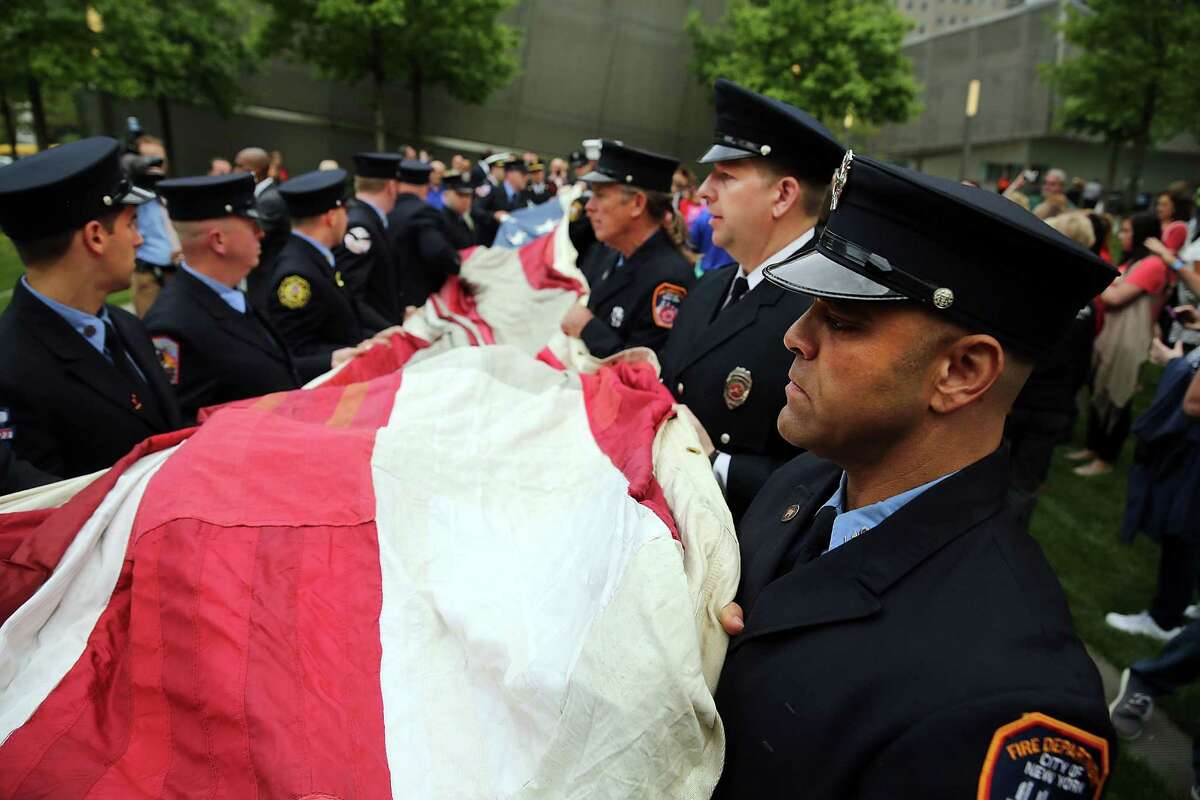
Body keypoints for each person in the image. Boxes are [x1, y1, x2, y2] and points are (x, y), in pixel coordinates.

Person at [707, 150, 1118, 798]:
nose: (795, 337)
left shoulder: (1006, 698)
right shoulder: (806, 483)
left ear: (960, 373)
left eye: (840, 320)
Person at [660, 78, 844, 524]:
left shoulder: (829, 314)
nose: (704, 191)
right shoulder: (712, 286)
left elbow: (829, 481)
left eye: (725, 176)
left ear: (782, 195)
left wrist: (717, 464)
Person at [0, 136, 184, 479]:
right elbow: (45, 513)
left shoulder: (123, 324)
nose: (139, 239)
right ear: (96, 236)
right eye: (131, 224)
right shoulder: (12, 368)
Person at [144, 173, 301, 423]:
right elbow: (184, 426)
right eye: (252, 226)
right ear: (219, 240)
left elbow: (269, 373)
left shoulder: (227, 293)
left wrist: (333, 359)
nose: (261, 234)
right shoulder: (172, 324)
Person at [1005, 212, 1099, 525]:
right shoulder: (1088, 297)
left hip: (1018, 396)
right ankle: (1010, 537)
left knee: (992, 471)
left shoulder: (1031, 288)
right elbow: (1084, 359)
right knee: (1025, 479)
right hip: (1054, 403)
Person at [559, 140, 694, 358]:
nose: (590, 207)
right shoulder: (608, 253)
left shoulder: (669, 279)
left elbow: (646, 372)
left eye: (600, 196)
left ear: (637, 204)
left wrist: (588, 329)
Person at [1073, 212, 1175, 477]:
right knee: (1100, 390)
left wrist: (1092, 275)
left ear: (1142, 234)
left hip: (1128, 339)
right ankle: (1093, 448)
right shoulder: (1135, 261)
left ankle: (1106, 457)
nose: (1122, 235)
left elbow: (1116, 297)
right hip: (1113, 334)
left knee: (1118, 395)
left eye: (1127, 230)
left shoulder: (1152, 264)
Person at [266, 169, 366, 382]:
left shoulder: (315, 257)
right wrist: (331, 358)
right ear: (331, 217)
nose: (347, 218)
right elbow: (294, 351)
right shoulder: (296, 276)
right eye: (344, 211)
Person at [334, 152, 405, 330]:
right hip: (371, 334)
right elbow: (351, 295)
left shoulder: (368, 218)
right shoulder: (361, 227)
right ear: (391, 186)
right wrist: (388, 329)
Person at [388, 158, 462, 309]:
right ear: (426, 186)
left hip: (391, 297)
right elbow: (437, 251)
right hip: (417, 300)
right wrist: (456, 263)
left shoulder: (387, 209)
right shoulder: (423, 212)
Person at [125, 134, 180, 317]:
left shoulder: (169, 192)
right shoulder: (135, 195)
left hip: (176, 272)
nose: (156, 164)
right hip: (148, 275)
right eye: (148, 158)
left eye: (159, 158)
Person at [235, 147, 290, 313]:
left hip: (267, 274)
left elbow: (253, 236)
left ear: (254, 171)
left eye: (239, 166)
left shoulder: (269, 199)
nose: (234, 171)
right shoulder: (260, 196)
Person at [440, 170, 491, 249]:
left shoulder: (467, 217)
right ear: (446, 194)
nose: (466, 200)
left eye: (469, 195)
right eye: (460, 195)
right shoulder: (442, 220)